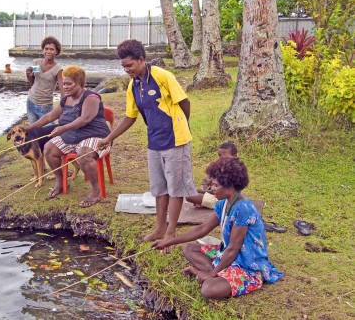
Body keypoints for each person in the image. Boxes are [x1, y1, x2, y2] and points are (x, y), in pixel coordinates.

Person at [98, 39, 196, 244]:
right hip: (154, 142)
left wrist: (182, 125)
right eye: (123, 66)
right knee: (159, 188)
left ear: (141, 59)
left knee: (176, 188)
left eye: (129, 65)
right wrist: (108, 138)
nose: (126, 70)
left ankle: (171, 232)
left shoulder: (163, 76)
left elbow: (184, 102)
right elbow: (130, 117)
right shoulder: (133, 85)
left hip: (176, 140)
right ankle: (160, 228)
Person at [152, 157, 283, 299]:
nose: (211, 189)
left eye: (216, 185)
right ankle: (216, 272)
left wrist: (211, 275)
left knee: (208, 290)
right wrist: (170, 241)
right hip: (228, 255)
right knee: (189, 249)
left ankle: (212, 274)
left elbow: (233, 248)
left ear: (229, 186)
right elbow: (202, 229)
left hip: (248, 264)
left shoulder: (243, 209)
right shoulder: (223, 204)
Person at [20, 65, 111, 207]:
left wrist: (62, 128)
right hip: (73, 136)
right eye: (64, 83)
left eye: (69, 83)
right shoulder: (66, 99)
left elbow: (85, 119)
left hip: (96, 136)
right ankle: (61, 182)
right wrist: (30, 127)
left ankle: (95, 191)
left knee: (83, 153)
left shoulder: (91, 97)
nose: (65, 87)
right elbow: (50, 116)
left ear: (80, 83)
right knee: (49, 149)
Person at [25, 36, 65, 124]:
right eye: (46, 49)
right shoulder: (36, 63)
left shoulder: (58, 69)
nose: (48, 52)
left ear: (56, 52)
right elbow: (33, 82)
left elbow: (62, 89)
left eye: (52, 49)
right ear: (43, 50)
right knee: (34, 131)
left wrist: (63, 107)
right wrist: (28, 75)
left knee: (49, 132)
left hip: (45, 106)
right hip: (31, 102)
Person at [186, 142, 238, 208]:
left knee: (190, 196)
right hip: (217, 195)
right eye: (219, 155)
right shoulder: (221, 167)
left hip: (225, 200)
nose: (221, 158)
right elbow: (208, 180)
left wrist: (205, 191)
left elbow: (223, 191)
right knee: (195, 191)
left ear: (235, 156)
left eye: (224, 155)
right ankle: (204, 202)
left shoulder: (235, 170)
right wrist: (209, 179)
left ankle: (217, 206)